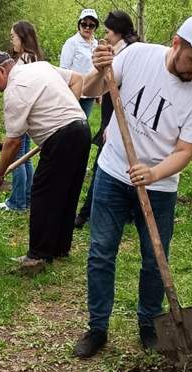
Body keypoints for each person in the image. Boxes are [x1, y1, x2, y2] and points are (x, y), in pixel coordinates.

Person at [74, 15, 192, 358]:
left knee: (154, 260)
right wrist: (99, 69)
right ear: (176, 43)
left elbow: (185, 150)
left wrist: (154, 174)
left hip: (160, 187)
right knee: (100, 252)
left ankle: (149, 327)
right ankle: (97, 328)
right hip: (113, 171)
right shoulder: (138, 54)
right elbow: (91, 89)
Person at [0, 49, 89, 269]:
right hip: (81, 129)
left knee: (43, 194)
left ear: (1, 71)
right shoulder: (39, 66)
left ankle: (38, 255)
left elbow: (13, 141)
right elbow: (78, 80)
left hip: (61, 137)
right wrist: (70, 113)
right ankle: (60, 247)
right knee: (67, 191)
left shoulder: (14, 90)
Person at [75, 10, 139, 229]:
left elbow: (126, 94)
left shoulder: (128, 53)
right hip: (110, 119)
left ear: (119, 32)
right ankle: (126, 211)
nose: (106, 34)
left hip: (117, 122)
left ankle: (85, 214)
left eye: (109, 31)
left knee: (103, 166)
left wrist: (110, 124)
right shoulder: (118, 50)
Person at [0, 20, 45, 213]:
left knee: (18, 157)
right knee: (25, 157)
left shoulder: (25, 60)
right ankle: (27, 198)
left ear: (22, 37)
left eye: (13, 37)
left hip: (24, 113)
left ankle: (17, 202)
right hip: (31, 113)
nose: (12, 40)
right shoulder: (35, 57)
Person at [60, 8, 100, 118]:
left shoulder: (96, 44)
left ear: (95, 27)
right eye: (84, 24)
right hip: (74, 91)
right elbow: (64, 69)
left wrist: (98, 92)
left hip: (90, 92)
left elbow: (97, 70)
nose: (87, 28)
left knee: (84, 122)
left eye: (91, 25)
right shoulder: (72, 43)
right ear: (79, 25)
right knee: (72, 122)